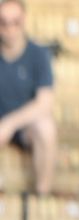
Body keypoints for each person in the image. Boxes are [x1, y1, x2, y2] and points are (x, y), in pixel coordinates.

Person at [0, 0, 55, 194]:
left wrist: (9, 123)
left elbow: (44, 103)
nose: (9, 29)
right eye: (3, 23)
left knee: (46, 127)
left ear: (24, 21)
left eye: (15, 22)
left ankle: (42, 193)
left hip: (24, 126)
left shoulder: (38, 54)